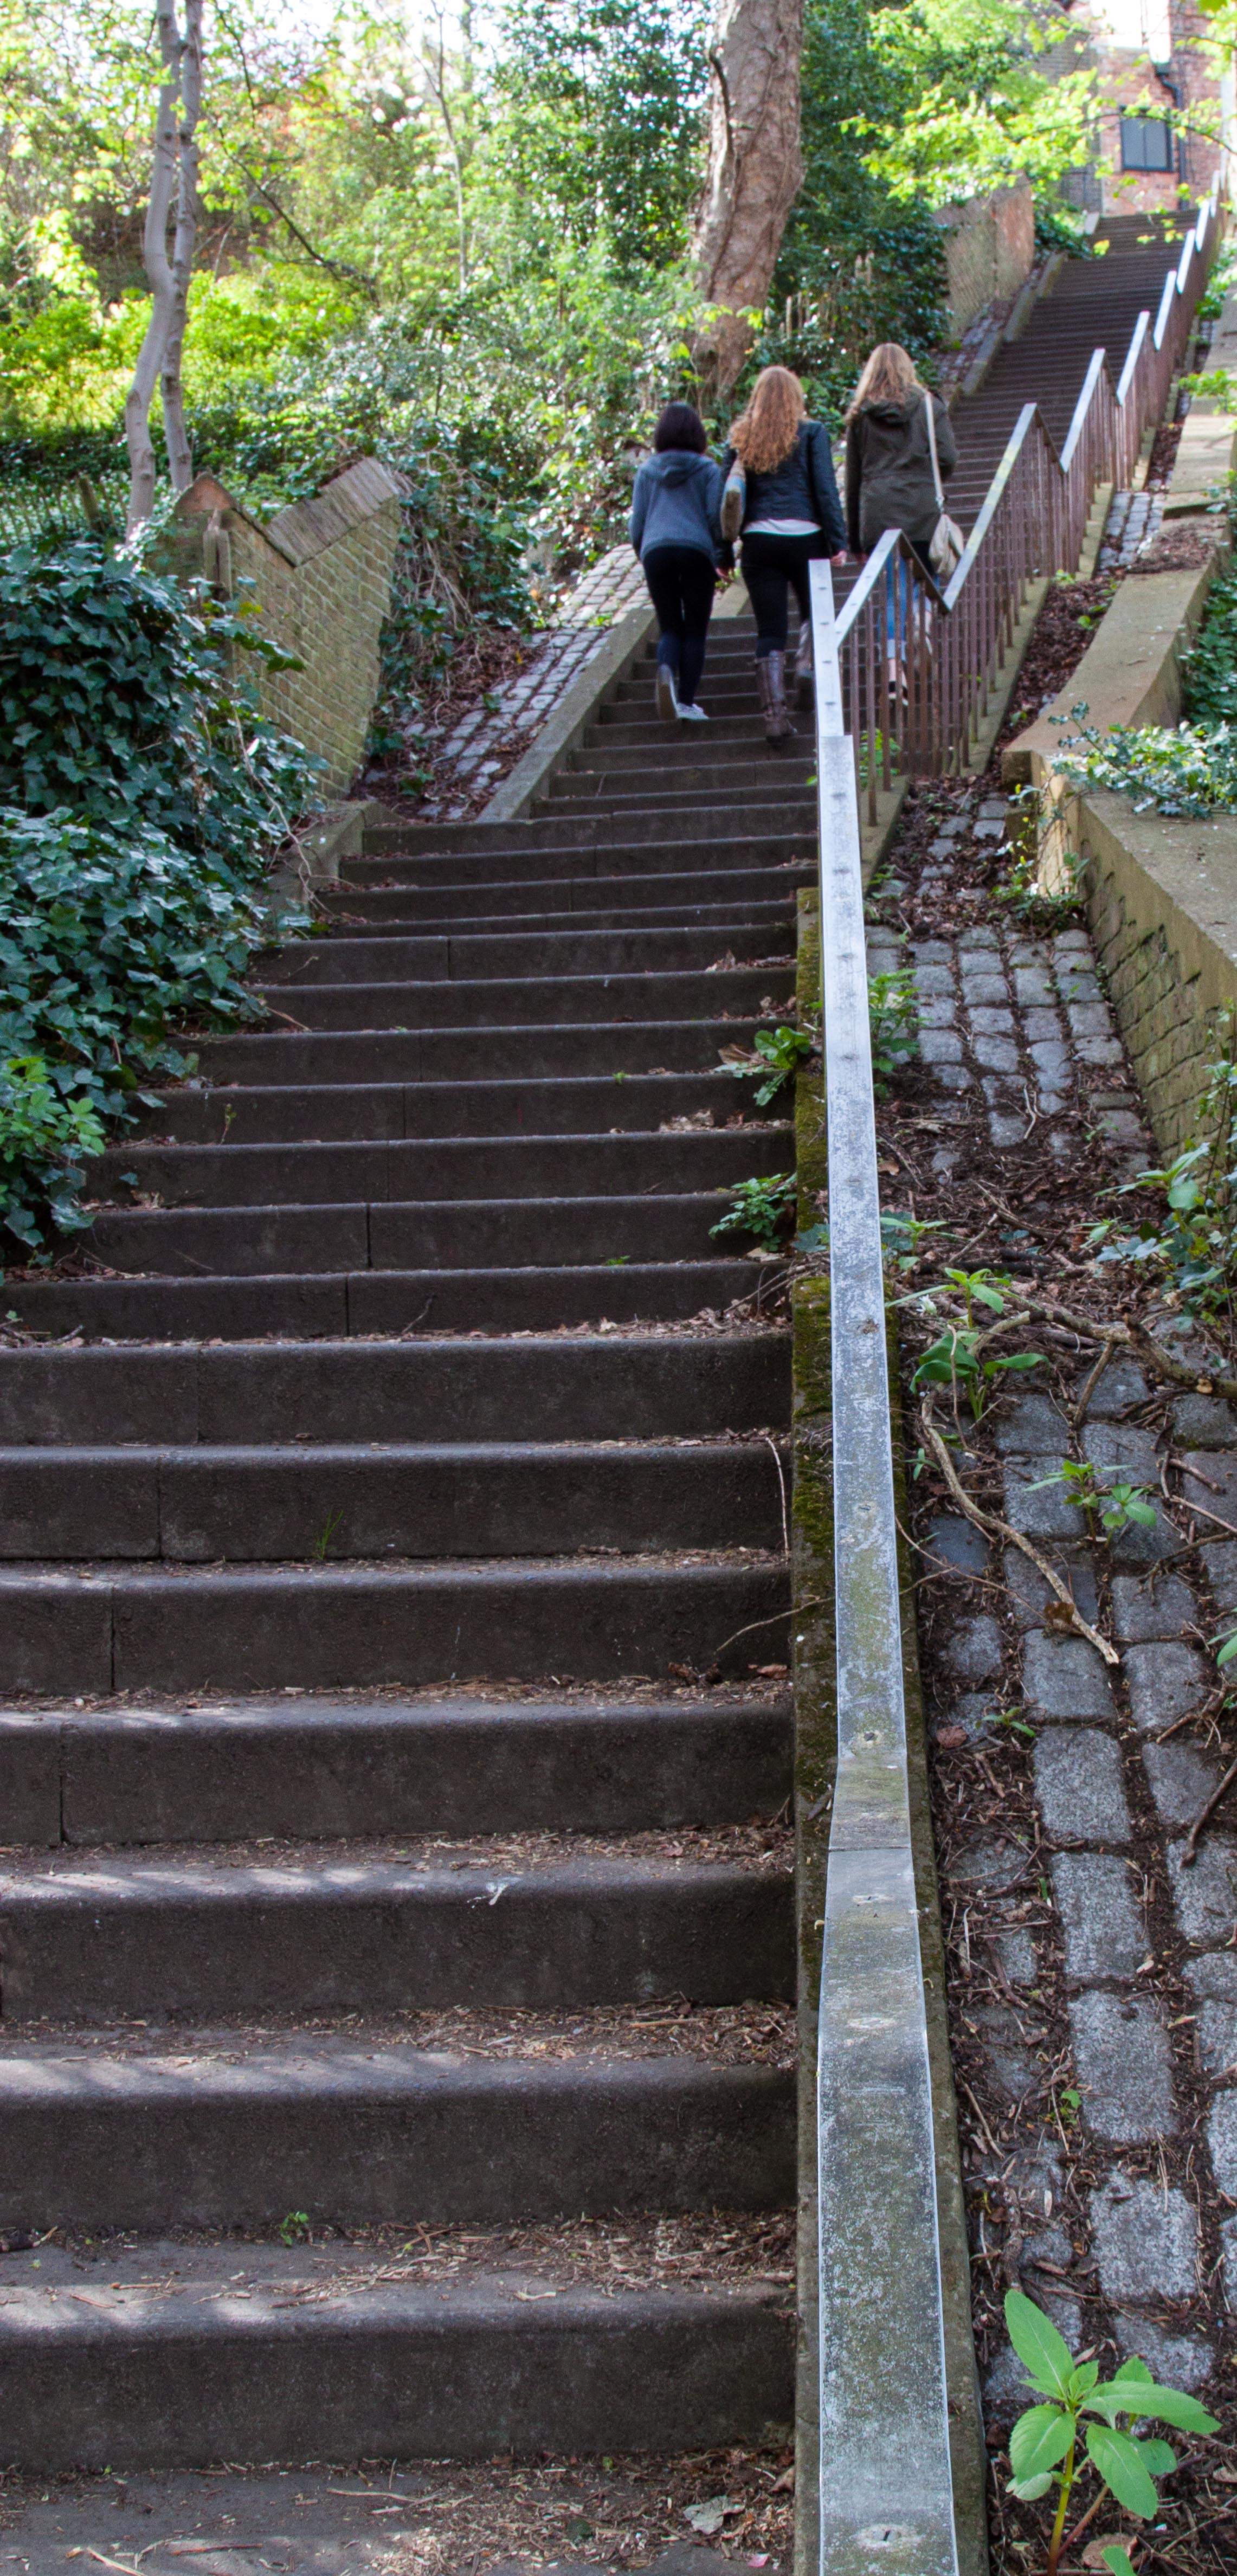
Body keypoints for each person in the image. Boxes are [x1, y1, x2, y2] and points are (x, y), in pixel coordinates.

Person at [719, 365, 847, 743]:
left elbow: (725, 500)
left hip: (759, 543)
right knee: (814, 612)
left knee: (771, 630)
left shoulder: (741, 438)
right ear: (796, 397)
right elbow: (825, 489)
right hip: (807, 538)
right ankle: (806, 665)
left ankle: (775, 717)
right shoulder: (812, 433)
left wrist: (722, 553)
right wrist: (838, 541)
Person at [844, 342, 958, 686]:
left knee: (893, 592)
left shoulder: (861, 416)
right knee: (929, 572)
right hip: (922, 507)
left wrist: (855, 540)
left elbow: (853, 480)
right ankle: (923, 624)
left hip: (879, 512)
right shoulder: (929, 405)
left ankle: (895, 673)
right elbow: (948, 457)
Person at [629, 402, 724, 723]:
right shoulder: (708, 470)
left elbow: (637, 523)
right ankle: (685, 702)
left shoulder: (646, 472)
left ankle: (666, 668)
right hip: (696, 551)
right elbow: (715, 517)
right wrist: (720, 552)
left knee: (670, 626)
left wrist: (644, 552)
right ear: (698, 434)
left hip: (656, 551)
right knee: (695, 630)